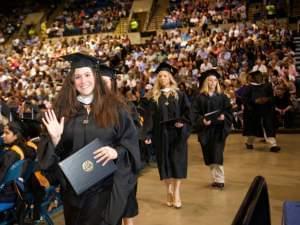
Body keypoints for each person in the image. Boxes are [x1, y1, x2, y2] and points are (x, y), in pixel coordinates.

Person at [37, 53, 141, 225]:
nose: (83, 81)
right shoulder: (62, 111)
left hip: (106, 189)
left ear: (95, 77)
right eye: (77, 76)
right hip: (74, 190)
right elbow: (51, 160)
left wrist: (116, 152)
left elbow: (130, 142)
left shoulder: (115, 108)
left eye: (87, 75)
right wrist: (55, 140)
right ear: (71, 81)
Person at [144, 62, 192, 208]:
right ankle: (168, 190)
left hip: (177, 135)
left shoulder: (179, 95)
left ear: (170, 78)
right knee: (164, 164)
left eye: (165, 75)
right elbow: (149, 118)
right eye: (160, 76)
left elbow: (188, 113)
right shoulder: (153, 97)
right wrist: (147, 134)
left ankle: (176, 192)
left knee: (177, 163)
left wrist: (182, 123)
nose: (162, 78)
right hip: (161, 135)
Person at [99, 64, 139, 225]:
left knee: (126, 203)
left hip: (123, 163)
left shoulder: (124, 106)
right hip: (100, 165)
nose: (103, 86)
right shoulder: (91, 107)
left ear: (113, 84)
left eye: (106, 82)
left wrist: (118, 151)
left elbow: (133, 133)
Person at [191, 69, 233, 189]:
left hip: (219, 130)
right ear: (206, 82)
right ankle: (215, 179)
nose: (213, 82)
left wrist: (224, 116)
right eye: (210, 80)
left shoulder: (223, 97)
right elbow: (194, 113)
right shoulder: (199, 98)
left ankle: (220, 180)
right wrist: (202, 121)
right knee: (209, 155)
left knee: (217, 154)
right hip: (206, 130)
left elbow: (229, 111)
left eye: (215, 80)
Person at [241, 70, 281, 152]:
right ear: (252, 78)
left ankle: (273, 145)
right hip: (253, 111)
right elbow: (245, 100)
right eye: (257, 76)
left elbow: (272, 97)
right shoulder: (248, 88)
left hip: (266, 110)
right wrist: (254, 101)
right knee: (253, 130)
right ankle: (249, 143)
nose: (259, 77)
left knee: (268, 126)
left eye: (260, 76)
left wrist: (266, 99)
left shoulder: (267, 86)